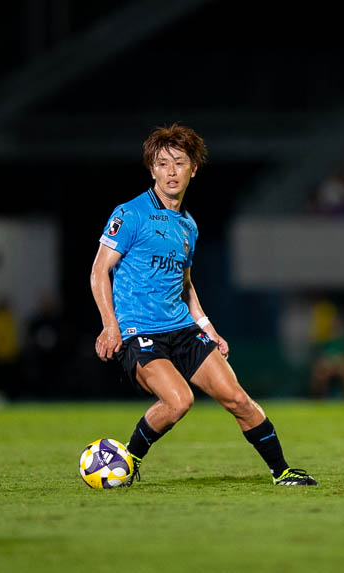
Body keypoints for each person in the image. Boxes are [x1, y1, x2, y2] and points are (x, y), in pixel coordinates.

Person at [90, 124, 317, 486]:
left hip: (183, 329)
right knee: (179, 401)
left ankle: (283, 472)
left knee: (238, 400)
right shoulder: (130, 214)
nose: (171, 171)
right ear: (152, 169)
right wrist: (109, 325)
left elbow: (185, 285)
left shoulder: (188, 226)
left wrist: (208, 328)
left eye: (179, 163)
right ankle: (128, 459)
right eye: (162, 163)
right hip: (140, 332)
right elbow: (99, 270)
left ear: (193, 169)